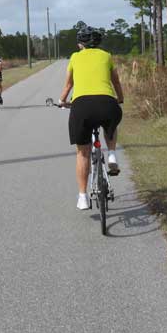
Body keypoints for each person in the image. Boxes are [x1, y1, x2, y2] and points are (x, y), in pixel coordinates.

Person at [59, 26, 125, 210]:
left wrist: (61, 101)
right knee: (110, 124)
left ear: (80, 44)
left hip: (82, 107)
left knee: (82, 153)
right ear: (98, 43)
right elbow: (116, 81)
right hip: (107, 103)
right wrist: (120, 98)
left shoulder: (74, 57)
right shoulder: (106, 56)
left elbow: (68, 84)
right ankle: (111, 154)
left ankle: (82, 197)